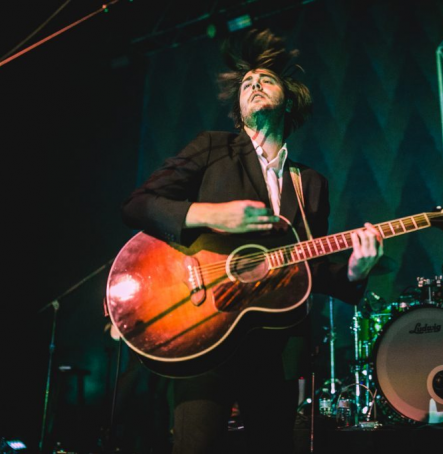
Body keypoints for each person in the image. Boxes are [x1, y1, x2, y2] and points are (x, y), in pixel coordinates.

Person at [120, 29, 383, 454]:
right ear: (239, 110)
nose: (255, 84)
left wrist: (354, 272)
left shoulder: (311, 183)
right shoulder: (213, 148)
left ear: (289, 99)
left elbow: (306, 269)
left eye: (267, 79)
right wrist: (208, 214)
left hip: (276, 347)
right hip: (205, 327)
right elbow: (138, 205)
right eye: (246, 83)